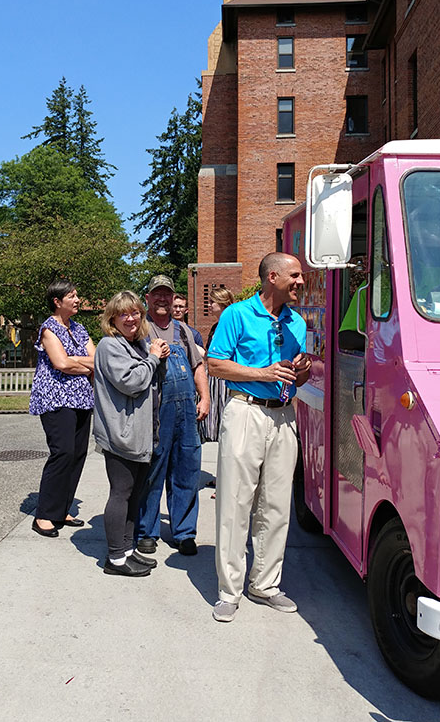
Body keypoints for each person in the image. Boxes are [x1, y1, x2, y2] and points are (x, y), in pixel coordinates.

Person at [207, 252, 311, 623]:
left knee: (277, 505)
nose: (301, 282)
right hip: (246, 411)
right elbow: (215, 364)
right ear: (272, 276)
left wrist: (304, 369)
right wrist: (262, 374)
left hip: (283, 417)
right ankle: (229, 590)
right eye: (295, 276)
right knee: (235, 502)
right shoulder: (237, 315)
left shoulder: (296, 323)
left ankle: (265, 585)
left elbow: (295, 376)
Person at [92, 291, 168, 577]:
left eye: (135, 312)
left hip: (140, 432)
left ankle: (126, 550)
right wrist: (152, 359)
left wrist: (157, 358)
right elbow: (132, 381)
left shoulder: (136, 344)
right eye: (123, 314)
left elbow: (149, 377)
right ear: (113, 318)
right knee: (121, 493)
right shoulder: (110, 346)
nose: (131, 318)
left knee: (134, 495)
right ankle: (115, 558)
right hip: (121, 433)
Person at [135, 275, 210, 557]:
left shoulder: (184, 332)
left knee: (187, 471)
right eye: (157, 294)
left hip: (187, 411)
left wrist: (205, 397)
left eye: (167, 294)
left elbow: (198, 367)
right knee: (153, 471)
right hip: (155, 410)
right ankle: (147, 532)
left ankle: (185, 532)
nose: (162, 299)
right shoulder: (140, 330)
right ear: (148, 298)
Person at [28, 278, 95, 537]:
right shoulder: (49, 329)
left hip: (81, 398)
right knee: (62, 452)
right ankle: (45, 514)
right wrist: (81, 364)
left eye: (77, 295)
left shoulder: (78, 329)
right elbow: (60, 364)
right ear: (58, 302)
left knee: (78, 454)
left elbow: (97, 358)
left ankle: (62, 509)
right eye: (72, 296)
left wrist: (76, 360)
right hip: (55, 398)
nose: (78, 300)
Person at [201, 286, 236, 446]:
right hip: (214, 378)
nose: (209, 306)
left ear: (222, 303)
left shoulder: (230, 324)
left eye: (212, 302)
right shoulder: (216, 326)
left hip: (225, 379)